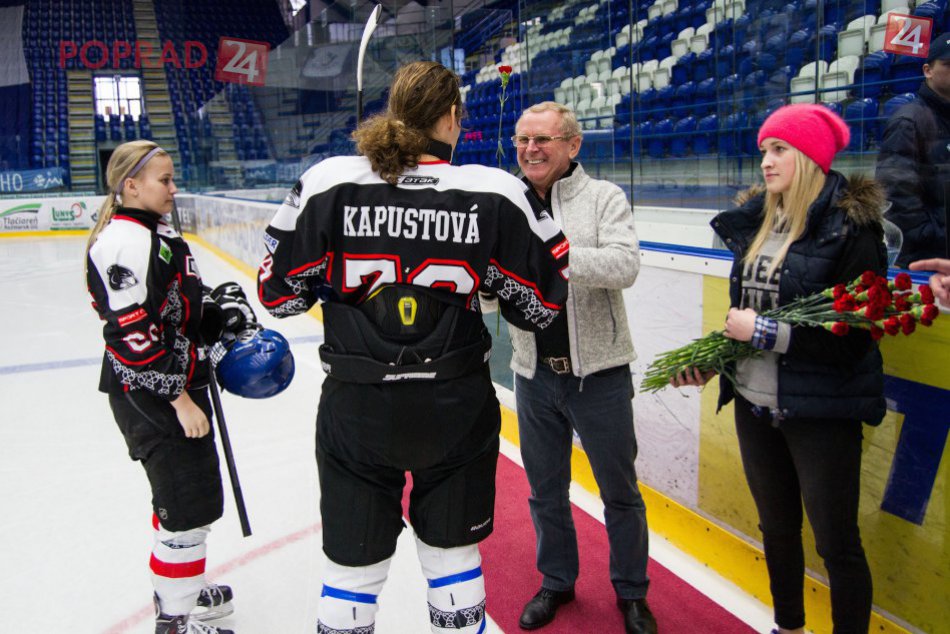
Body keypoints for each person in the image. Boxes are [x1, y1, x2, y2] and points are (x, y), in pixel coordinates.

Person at [256, 61, 569, 634]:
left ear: (393, 111)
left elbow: (277, 299)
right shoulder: (496, 190)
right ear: (452, 117)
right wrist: (488, 278)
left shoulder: (328, 180)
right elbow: (544, 304)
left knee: (352, 570)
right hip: (455, 406)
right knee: (452, 558)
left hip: (358, 406)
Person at [673, 104, 887, 634]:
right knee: (777, 530)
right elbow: (744, 321)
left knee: (837, 544)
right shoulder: (758, 224)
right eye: (764, 149)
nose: (766, 161)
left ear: (810, 156)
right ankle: (788, 626)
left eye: (779, 150)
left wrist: (765, 334)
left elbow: (857, 336)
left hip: (820, 413)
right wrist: (715, 362)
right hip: (753, 404)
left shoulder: (852, 229)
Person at [498, 101, 655, 634]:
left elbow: (625, 265)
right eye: (522, 140)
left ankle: (632, 592)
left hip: (601, 376)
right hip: (534, 373)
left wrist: (559, 254)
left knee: (620, 493)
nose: (530, 149)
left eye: (541, 139)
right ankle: (557, 581)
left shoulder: (604, 197)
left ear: (572, 145)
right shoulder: (508, 202)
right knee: (544, 492)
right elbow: (496, 289)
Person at [85, 141, 239, 634]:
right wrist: (180, 399)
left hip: (172, 388)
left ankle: (181, 588)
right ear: (131, 186)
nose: (174, 189)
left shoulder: (156, 231)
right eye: (164, 181)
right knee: (189, 508)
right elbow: (132, 334)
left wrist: (217, 310)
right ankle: (174, 619)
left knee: (181, 501)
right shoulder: (122, 243)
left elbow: (174, 306)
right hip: (153, 396)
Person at [875, 31, 950, 267]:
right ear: (927, 70)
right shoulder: (908, 121)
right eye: (949, 65)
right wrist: (935, 236)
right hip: (926, 260)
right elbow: (897, 198)